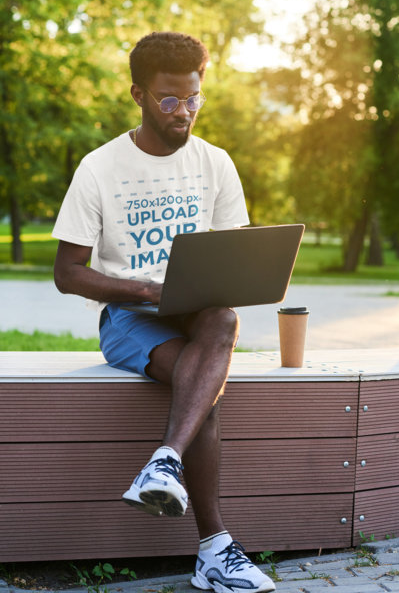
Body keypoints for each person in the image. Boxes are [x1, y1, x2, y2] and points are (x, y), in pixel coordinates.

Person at [52, 31, 275, 593]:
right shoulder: (99, 168)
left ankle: (165, 462)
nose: (184, 113)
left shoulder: (216, 163)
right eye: (169, 100)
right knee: (202, 389)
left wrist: (227, 281)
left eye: (194, 99)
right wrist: (148, 291)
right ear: (139, 95)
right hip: (130, 317)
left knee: (223, 320)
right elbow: (67, 273)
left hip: (197, 312)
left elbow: (231, 258)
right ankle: (215, 550)